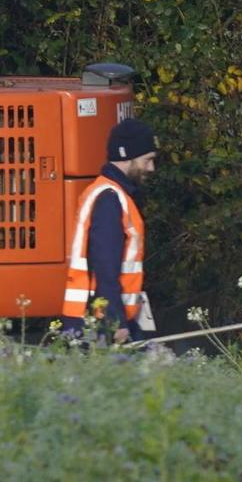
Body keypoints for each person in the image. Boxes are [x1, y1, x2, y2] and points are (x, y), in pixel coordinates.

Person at [64, 119, 158, 346]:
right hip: (100, 324)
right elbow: (105, 267)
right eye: (147, 160)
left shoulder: (111, 194)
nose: (151, 168)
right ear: (128, 156)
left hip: (101, 318)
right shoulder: (110, 199)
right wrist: (115, 320)